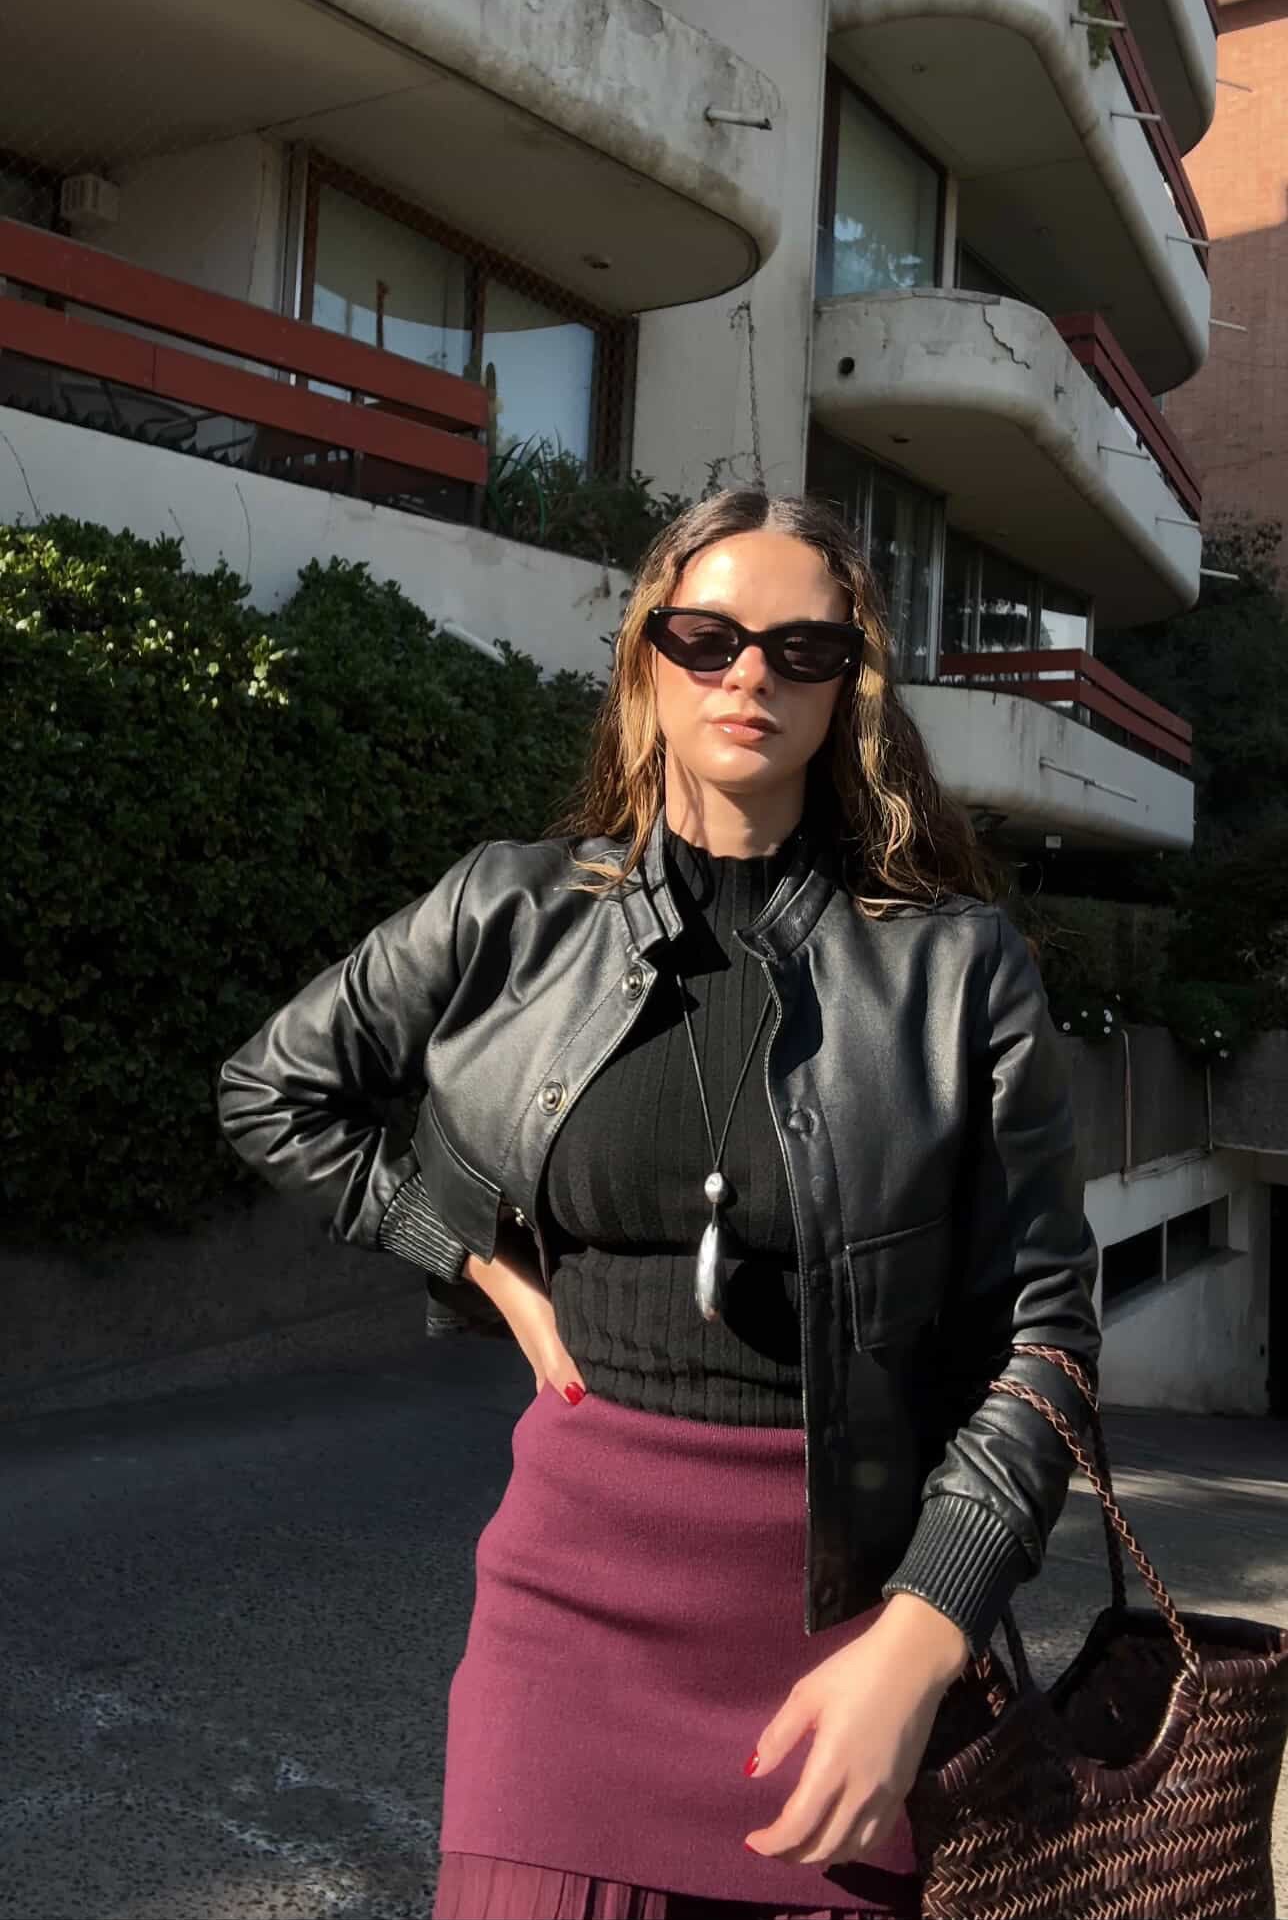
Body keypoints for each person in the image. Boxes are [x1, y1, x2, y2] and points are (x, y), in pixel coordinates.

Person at [219, 488, 1100, 1920]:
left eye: (801, 650)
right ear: (645, 660)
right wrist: (473, 1264)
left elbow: (1047, 1338)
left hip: (848, 1641)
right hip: (565, 1634)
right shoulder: (508, 914)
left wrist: (928, 1628)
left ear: (846, 691)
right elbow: (275, 1089)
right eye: (707, 635)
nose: (749, 673)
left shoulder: (959, 970)